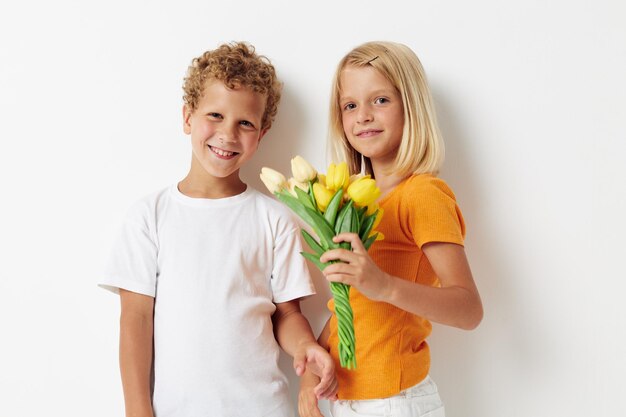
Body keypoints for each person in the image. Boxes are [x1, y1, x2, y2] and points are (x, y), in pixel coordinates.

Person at [99, 42, 337, 417]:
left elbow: (288, 315)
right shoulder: (150, 216)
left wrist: (305, 345)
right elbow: (136, 318)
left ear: (262, 133)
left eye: (245, 123)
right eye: (215, 115)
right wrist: (137, 408)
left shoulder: (275, 219)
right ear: (187, 117)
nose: (227, 134)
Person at [298, 41, 483, 417]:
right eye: (350, 105)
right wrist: (310, 375)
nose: (363, 116)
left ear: (411, 108)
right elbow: (349, 307)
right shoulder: (351, 201)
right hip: (346, 398)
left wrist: (384, 285)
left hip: (395, 402)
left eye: (380, 100)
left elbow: (469, 310)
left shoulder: (423, 194)